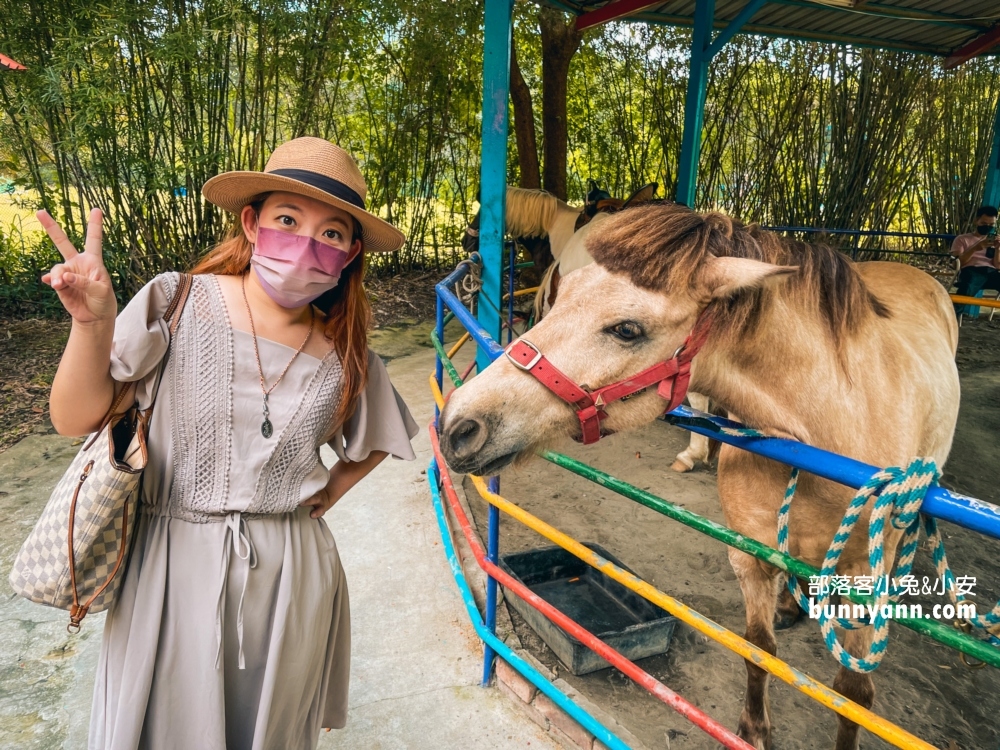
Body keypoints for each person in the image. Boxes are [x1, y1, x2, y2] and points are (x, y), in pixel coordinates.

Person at [40, 136, 419, 749]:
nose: (306, 245)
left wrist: (332, 490)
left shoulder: (347, 353)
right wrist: (91, 323)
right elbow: (76, 416)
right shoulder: (176, 301)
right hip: (167, 567)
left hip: (291, 580)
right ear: (252, 223)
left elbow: (382, 435)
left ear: (350, 254)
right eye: (288, 220)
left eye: (331, 234)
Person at [951, 204, 1000, 316]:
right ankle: (951, 318)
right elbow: (956, 264)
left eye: (991, 225)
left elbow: (997, 266)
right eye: (984, 223)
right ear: (976, 221)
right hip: (972, 271)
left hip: (992, 272)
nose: (987, 227)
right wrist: (975, 248)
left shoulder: (995, 240)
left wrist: (998, 249)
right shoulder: (962, 239)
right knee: (966, 289)